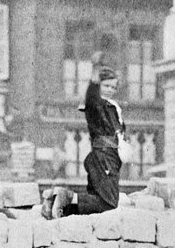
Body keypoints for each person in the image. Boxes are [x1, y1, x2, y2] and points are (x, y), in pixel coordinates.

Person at [42, 59, 125, 219]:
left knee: (97, 203)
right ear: (99, 85)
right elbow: (91, 95)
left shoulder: (111, 108)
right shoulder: (96, 105)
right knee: (109, 203)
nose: (110, 90)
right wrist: (94, 74)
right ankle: (67, 196)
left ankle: (54, 203)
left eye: (113, 87)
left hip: (107, 158)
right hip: (103, 158)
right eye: (106, 85)